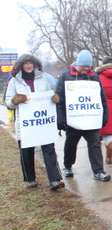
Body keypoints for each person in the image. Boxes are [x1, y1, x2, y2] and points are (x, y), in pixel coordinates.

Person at [4, 54, 64, 190]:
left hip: (43, 122)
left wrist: (56, 98)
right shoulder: (14, 81)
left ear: (35, 64)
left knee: (49, 148)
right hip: (26, 124)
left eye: (30, 63)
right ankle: (30, 179)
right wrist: (15, 100)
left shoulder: (45, 77)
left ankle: (55, 180)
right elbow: (8, 102)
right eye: (25, 63)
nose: (28, 65)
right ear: (20, 66)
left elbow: (55, 91)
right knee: (26, 150)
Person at [56, 50, 111, 182]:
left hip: (91, 120)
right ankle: (68, 166)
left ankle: (98, 171)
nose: (86, 69)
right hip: (73, 120)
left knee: (95, 144)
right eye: (84, 66)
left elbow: (101, 98)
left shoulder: (94, 77)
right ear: (77, 64)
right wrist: (61, 118)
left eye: (88, 66)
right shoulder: (65, 76)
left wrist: (104, 115)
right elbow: (59, 99)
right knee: (70, 144)